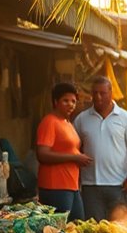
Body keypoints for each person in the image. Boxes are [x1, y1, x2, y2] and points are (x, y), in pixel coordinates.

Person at [73, 77, 127, 220]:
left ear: (111, 93)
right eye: (95, 93)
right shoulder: (82, 119)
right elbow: (74, 146)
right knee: (94, 229)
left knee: (120, 229)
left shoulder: (126, 118)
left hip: (119, 184)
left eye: (103, 93)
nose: (98, 97)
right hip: (91, 185)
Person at [36, 82, 90, 219]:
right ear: (55, 102)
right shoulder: (49, 122)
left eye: (73, 101)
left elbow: (70, 149)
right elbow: (42, 154)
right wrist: (74, 158)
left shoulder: (68, 123)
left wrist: (79, 157)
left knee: (78, 226)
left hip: (71, 185)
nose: (71, 104)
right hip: (55, 186)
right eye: (65, 100)